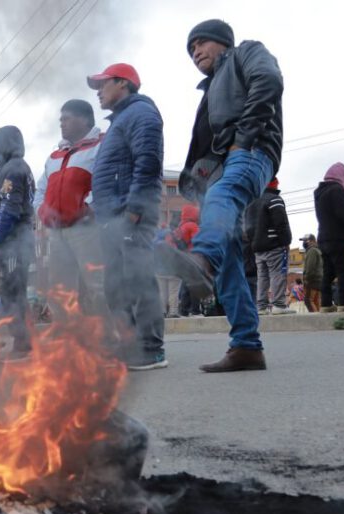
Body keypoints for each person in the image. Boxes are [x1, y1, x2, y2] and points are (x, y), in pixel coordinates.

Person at [155, 19, 284, 372]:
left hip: (250, 151)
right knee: (228, 259)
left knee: (223, 200)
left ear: (222, 42)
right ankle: (246, 346)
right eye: (190, 49)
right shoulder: (211, 90)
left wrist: (245, 137)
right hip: (220, 167)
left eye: (200, 43)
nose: (195, 52)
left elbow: (269, 81)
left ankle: (201, 261)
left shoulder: (246, 53)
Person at [86, 63, 167, 370]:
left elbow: (148, 163)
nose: (98, 93)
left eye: (102, 85)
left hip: (130, 213)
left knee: (138, 279)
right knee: (116, 285)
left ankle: (152, 349)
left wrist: (135, 210)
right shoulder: (120, 120)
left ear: (123, 83)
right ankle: (131, 344)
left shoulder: (141, 114)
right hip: (111, 216)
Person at [34, 99, 105, 319]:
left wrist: (88, 208)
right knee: (60, 289)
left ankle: (108, 340)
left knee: (98, 285)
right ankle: (68, 342)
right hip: (57, 232)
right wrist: (42, 212)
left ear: (84, 119)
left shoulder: (101, 146)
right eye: (60, 120)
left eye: (66, 118)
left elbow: (106, 181)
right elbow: (40, 190)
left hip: (87, 229)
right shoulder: (55, 156)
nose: (61, 124)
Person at [0, 126, 36, 360]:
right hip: (15, 241)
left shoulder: (13, 170)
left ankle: (22, 344)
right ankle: (22, 342)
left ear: (3, 145)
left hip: (13, 243)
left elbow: (8, 210)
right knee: (13, 292)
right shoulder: (14, 168)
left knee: (12, 292)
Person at [314, 162, 344, 313]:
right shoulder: (337, 190)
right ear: (341, 175)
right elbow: (343, 216)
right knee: (342, 271)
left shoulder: (319, 192)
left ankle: (326, 304)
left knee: (328, 272)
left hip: (323, 237)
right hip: (338, 238)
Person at [246, 177, 293, 315]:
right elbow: (281, 223)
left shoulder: (252, 202)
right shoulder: (274, 199)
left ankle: (261, 306)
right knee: (277, 273)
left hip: (257, 247)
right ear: (275, 184)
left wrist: (253, 241)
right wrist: (286, 241)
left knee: (262, 276)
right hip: (274, 244)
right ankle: (278, 305)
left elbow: (247, 225)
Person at [300, 233, 323, 312]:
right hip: (319, 280)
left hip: (312, 280)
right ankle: (320, 319)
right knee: (316, 301)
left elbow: (310, 267)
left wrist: (306, 280)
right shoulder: (318, 250)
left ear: (311, 241)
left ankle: (316, 320)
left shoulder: (311, 251)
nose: (304, 243)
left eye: (305, 241)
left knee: (308, 301)